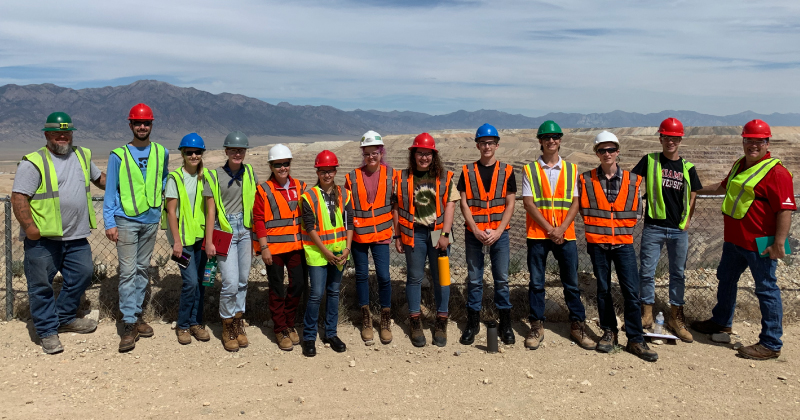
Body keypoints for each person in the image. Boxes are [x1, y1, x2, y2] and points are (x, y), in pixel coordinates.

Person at [692, 119, 794, 360]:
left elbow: (785, 209)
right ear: (743, 141)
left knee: (766, 289)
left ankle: (770, 343)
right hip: (735, 239)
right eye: (749, 140)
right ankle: (721, 322)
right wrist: (696, 189)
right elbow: (723, 187)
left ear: (767, 142)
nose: (753, 145)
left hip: (762, 242)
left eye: (759, 141)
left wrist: (780, 242)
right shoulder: (740, 164)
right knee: (726, 279)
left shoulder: (777, 172)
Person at [12, 112, 106, 354]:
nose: (63, 137)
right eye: (57, 133)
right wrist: (30, 230)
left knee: (83, 276)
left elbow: (101, 180)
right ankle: (47, 331)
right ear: (47, 135)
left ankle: (63, 318)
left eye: (67, 132)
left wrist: (128, 182)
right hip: (44, 240)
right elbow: (19, 197)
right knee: (41, 286)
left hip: (76, 237)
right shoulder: (33, 162)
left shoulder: (82, 155)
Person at [578, 131, 658, 362]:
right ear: (596, 153)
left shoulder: (634, 181)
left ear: (618, 152)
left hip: (623, 243)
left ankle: (635, 338)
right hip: (598, 243)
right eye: (602, 150)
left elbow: (638, 212)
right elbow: (582, 209)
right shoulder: (586, 179)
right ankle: (609, 332)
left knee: (631, 292)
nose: (606, 154)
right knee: (602, 290)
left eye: (610, 149)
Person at [522, 120, 595, 350]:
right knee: (536, 283)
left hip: (566, 235)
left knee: (571, 283)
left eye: (555, 137)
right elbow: (528, 203)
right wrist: (550, 229)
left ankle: (577, 325)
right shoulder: (530, 169)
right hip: (538, 234)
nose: (551, 141)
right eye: (546, 138)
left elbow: (575, 201)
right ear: (540, 142)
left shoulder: (572, 170)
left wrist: (561, 228)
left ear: (560, 140)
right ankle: (536, 325)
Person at [103, 103, 169, 352]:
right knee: (128, 271)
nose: (142, 126)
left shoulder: (161, 151)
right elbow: (111, 191)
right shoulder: (117, 155)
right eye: (138, 123)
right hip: (126, 220)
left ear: (151, 125)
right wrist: (110, 222)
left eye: (147, 123)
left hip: (151, 219)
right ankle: (129, 323)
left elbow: (162, 178)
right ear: (130, 125)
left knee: (142, 269)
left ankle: (137, 314)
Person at [631, 118, 702, 343]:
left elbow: (693, 195)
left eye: (674, 137)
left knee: (678, 274)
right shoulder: (649, 160)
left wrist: (688, 220)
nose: (670, 141)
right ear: (660, 138)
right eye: (666, 137)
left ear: (680, 140)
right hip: (654, 226)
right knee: (647, 272)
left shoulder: (688, 167)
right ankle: (647, 315)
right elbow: (631, 183)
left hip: (679, 229)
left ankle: (676, 318)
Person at [393, 133, 458, 347]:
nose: (424, 158)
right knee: (414, 278)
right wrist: (397, 235)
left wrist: (445, 235)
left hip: (437, 232)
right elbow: (395, 208)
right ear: (413, 154)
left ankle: (441, 320)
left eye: (428, 154)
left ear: (433, 155)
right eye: (420, 153)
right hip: (414, 233)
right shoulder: (401, 177)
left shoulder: (445, 177)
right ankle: (415, 321)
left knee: (442, 278)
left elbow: (450, 205)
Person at [457, 124, 517, 346]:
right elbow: (463, 202)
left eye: (490, 142)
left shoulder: (507, 170)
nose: (487, 146)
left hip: (500, 234)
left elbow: (510, 204)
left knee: (501, 280)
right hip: (474, 233)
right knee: (474, 280)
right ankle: (472, 324)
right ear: (477, 145)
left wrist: (499, 230)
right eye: (483, 142)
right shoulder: (467, 171)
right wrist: (474, 228)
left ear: (497, 145)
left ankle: (505, 324)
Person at [205, 131, 258, 352]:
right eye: (234, 149)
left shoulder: (250, 173)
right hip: (224, 230)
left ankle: (238, 321)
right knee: (230, 282)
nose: (238, 153)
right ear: (226, 151)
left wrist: (255, 237)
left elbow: (254, 206)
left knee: (243, 280)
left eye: (241, 150)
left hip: (245, 230)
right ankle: (227, 325)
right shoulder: (214, 175)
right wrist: (209, 241)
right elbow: (210, 212)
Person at [254, 144, 308, 351]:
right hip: (274, 249)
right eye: (278, 165)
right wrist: (264, 247)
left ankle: (289, 322)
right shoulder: (264, 190)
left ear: (290, 164)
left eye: (285, 164)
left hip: (296, 247)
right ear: (271, 166)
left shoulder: (302, 187)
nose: (282, 168)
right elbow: (258, 219)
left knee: (299, 285)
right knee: (277, 288)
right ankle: (280, 328)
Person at [300, 150, 354, 357]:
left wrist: (347, 249)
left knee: (333, 292)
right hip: (317, 253)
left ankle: (331, 333)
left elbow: (349, 223)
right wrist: (325, 252)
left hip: (340, 252)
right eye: (323, 171)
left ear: (335, 171)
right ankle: (309, 337)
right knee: (316, 294)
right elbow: (310, 227)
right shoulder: (309, 196)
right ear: (318, 172)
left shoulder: (344, 194)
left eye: (330, 171)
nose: (327, 175)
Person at [344, 131, 396, 346]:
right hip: (359, 236)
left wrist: (399, 233)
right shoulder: (352, 177)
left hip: (382, 235)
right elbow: (347, 210)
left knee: (384, 276)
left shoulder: (392, 175)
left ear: (381, 152)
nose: (371, 157)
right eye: (367, 153)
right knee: (362, 275)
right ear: (362, 153)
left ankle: (384, 320)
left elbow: (396, 207)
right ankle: (366, 319)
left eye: (375, 152)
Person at [163, 133, 215, 345]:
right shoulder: (175, 178)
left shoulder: (207, 177)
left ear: (202, 154)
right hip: (182, 242)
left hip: (202, 239)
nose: (193, 155)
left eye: (197, 152)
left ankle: (196, 322)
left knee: (202, 282)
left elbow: (211, 211)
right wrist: (176, 241)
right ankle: (183, 325)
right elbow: (170, 212)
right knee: (190, 282)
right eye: (189, 152)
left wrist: (210, 240)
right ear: (182, 154)